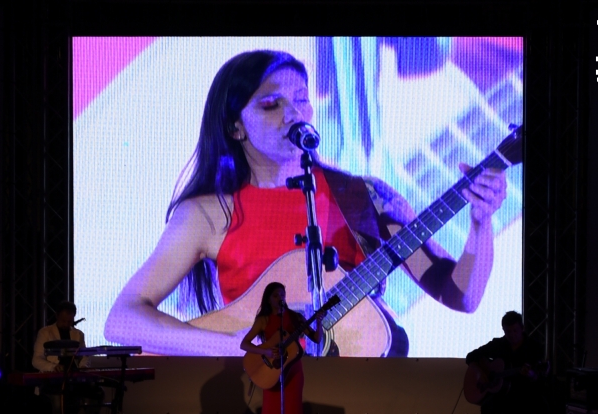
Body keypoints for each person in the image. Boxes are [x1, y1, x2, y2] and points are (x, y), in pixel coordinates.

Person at [104, 50, 507, 357]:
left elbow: (461, 296)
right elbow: (122, 319)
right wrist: (234, 347)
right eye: (271, 104)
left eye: (301, 99)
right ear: (236, 127)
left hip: (363, 389)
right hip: (258, 397)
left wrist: (480, 223)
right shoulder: (209, 214)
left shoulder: (364, 196)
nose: (294, 113)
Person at [240, 282, 322, 414]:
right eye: (276, 295)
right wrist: (266, 351)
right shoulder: (263, 320)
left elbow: (316, 338)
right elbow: (244, 344)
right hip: (271, 371)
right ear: (269, 299)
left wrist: (319, 322)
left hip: (293, 372)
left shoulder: (295, 317)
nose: (280, 298)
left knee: (292, 413)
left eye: (282, 295)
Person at [465, 311, 549, 414]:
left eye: (515, 331)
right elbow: (471, 357)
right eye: (508, 331)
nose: (512, 335)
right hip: (503, 395)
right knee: (487, 406)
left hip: (524, 394)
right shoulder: (499, 344)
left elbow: (539, 377)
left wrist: (531, 374)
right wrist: (482, 373)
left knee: (542, 406)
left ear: (522, 328)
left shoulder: (533, 347)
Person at [32, 301, 88, 372]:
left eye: (69, 321)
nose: (66, 324)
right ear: (57, 316)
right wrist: (53, 367)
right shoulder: (45, 332)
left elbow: (84, 356)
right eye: (63, 321)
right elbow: (36, 360)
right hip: (52, 374)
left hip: (74, 373)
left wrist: (83, 366)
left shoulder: (79, 334)